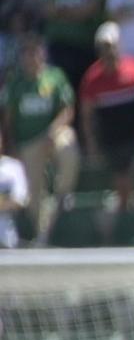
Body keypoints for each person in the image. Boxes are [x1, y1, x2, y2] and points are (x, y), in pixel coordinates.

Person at [78, 22, 134, 217]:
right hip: (112, 141)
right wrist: (91, 142)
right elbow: (87, 114)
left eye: (111, 46)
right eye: (104, 48)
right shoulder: (92, 79)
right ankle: (124, 213)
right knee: (123, 191)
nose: (108, 52)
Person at [1, 34, 78, 246]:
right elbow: (8, 120)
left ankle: (63, 194)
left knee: (69, 147)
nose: (31, 57)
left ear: (42, 54)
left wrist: (53, 131)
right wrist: (12, 147)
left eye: (34, 52)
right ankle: (42, 233)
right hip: (28, 143)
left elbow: (68, 109)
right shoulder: (15, 83)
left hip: (53, 135)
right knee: (34, 190)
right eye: (26, 53)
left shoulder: (54, 76)